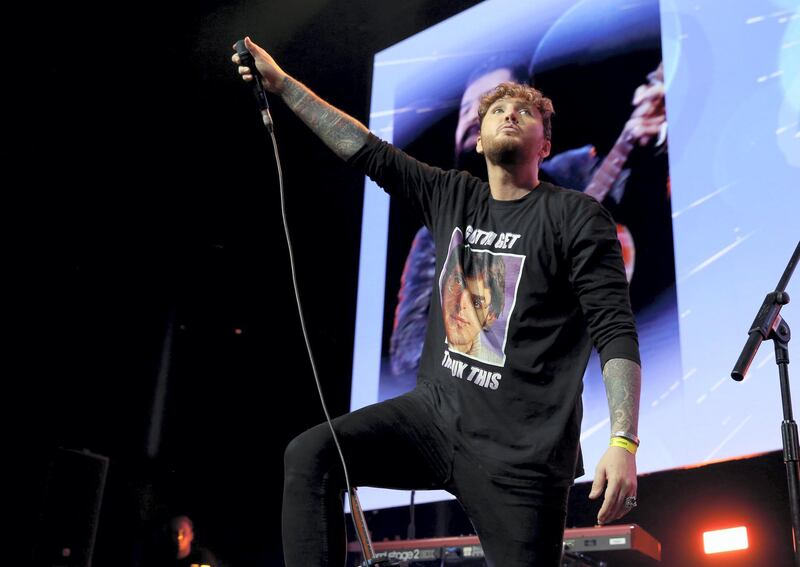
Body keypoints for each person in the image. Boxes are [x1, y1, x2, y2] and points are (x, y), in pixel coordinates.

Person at [233, 36, 642, 567]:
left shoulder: (578, 216)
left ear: (546, 145)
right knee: (310, 454)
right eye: (497, 109)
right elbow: (365, 148)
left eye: (525, 110)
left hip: (521, 456)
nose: (509, 114)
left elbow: (614, 329)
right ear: (477, 139)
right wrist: (283, 85)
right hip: (433, 419)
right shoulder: (452, 195)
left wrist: (624, 441)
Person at [441, 243, 506, 366]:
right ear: (443, 282)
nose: (460, 304)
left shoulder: (495, 363)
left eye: (476, 302)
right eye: (457, 282)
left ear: (491, 316)